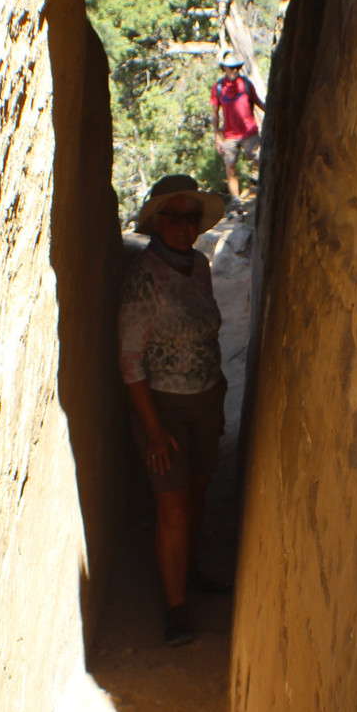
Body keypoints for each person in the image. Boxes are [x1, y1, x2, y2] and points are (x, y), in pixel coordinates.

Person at [118, 175, 231, 647]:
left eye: (191, 217)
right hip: (162, 406)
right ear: (156, 220)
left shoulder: (199, 266)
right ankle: (175, 609)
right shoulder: (145, 279)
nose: (184, 226)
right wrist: (154, 429)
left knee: (198, 489)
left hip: (205, 397)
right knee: (174, 505)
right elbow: (129, 360)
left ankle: (188, 570)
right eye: (174, 217)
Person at [210, 50, 265, 210]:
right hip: (230, 135)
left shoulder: (246, 84)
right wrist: (217, 138)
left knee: (260, 160)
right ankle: (235, 200)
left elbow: (259, 103)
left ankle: (264, 190)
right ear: (224, 68)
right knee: (230, 166)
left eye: (236, 67)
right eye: (230, 67)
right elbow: (214, 113)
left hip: (249, 132)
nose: (234, 70)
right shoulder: (219, 87)